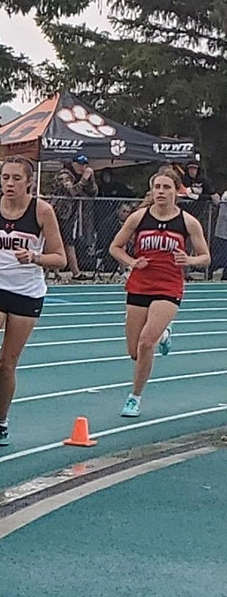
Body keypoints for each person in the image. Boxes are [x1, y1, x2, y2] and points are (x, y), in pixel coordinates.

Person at [0, 157, 66, 445]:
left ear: (29, 182)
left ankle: (1, 422)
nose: (8, 184)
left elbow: (59, 257)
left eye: (15, 179)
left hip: (27, 294)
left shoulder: (41, 211)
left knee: (7, 363)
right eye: (5, 178)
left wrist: (34, 257)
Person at [109, 168, 210, 417]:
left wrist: (189, 260)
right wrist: (132, 262)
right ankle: (164, 334)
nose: (161, 192)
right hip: (140, 285)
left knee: (145, 343)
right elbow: (115, 247)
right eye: (157, 187)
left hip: (169, 287)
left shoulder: (187, 222)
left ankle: (134, 397)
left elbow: (206, 256)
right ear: (151, 191)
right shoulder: (139, 218)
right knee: (134, 351)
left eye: (166, 187)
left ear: (176, 191)